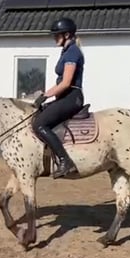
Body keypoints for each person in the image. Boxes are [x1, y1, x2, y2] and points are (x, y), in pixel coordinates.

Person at [32, 17, 85, 179]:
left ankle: (65, 161)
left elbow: (66, 83)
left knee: (40, 124)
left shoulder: (73, 52)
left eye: (57, 34)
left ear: (67, 35)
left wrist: (45, 95)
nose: (55, 37)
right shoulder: (67, 51)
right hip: (65, 97)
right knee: (38, 115)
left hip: (72, 97)